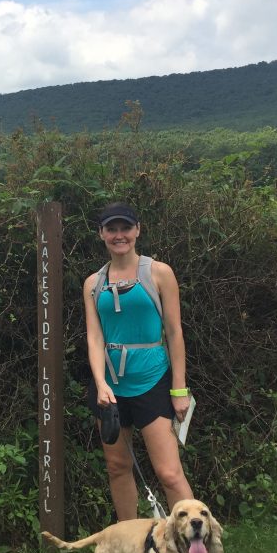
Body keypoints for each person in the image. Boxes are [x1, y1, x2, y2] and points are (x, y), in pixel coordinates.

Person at [83, 202, 194, 520]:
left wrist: (179, 389)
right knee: (118, 468)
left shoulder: (158, 273)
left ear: (137, 230)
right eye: (112, 229)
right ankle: (130, 550)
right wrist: (101, 383)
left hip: (153, 382)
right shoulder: (93, 283)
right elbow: (94, 337)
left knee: (169, 473)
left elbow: (174, 332)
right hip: (110, 390)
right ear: (101, 233)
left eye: (125, 228)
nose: (119, 235)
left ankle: (194, 551)